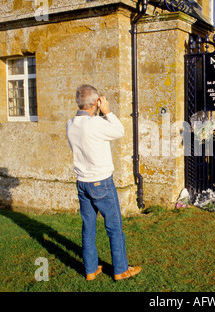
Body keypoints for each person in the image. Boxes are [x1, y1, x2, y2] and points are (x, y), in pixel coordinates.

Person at [66, 84, 141, 281]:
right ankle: (121, 270)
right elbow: (119, 131)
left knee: (88, 227)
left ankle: (91, 270)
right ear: (94, 103)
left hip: (82, 182)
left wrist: (97, 112)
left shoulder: (70, 124)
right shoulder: (97, 123)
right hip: (101, 183)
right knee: (114, 228)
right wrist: (107, 111)